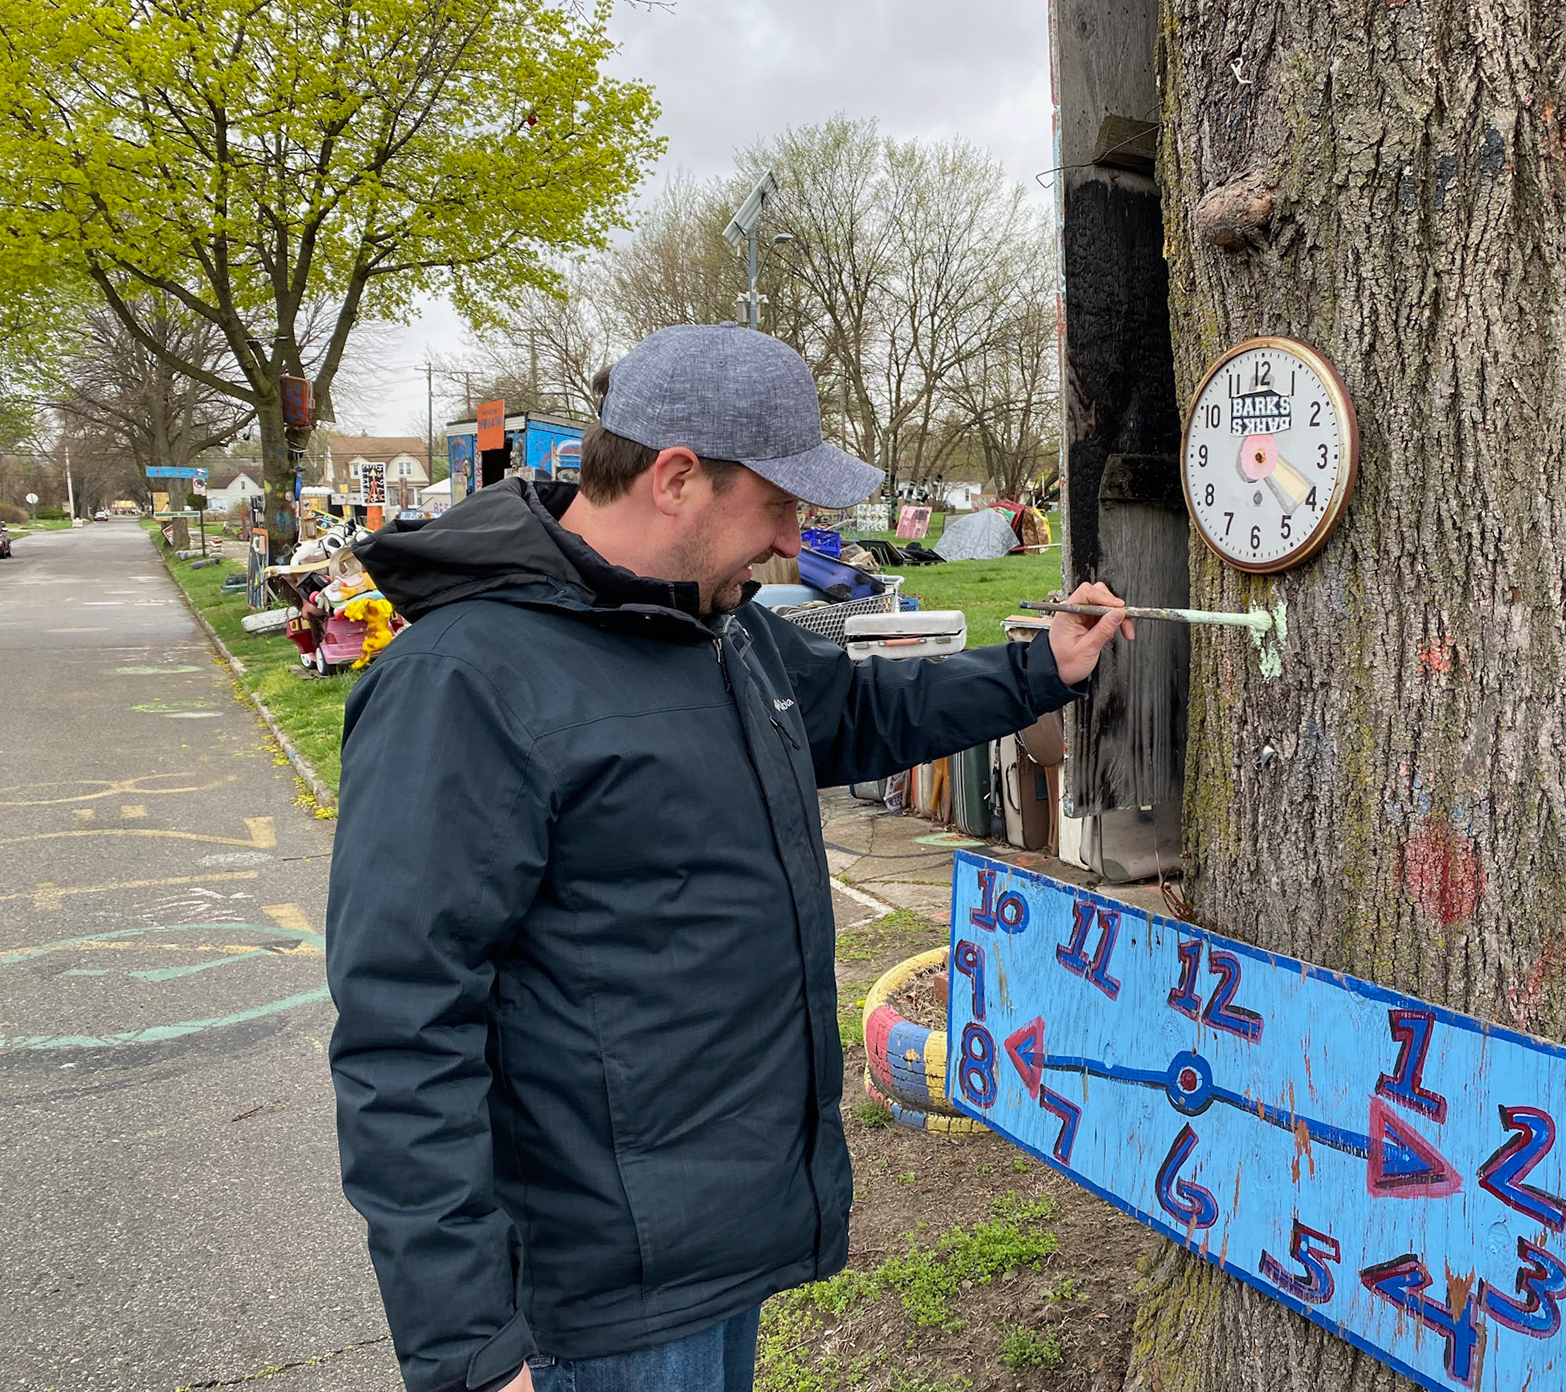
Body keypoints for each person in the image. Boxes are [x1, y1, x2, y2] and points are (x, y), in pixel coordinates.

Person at [325, 323, 1130, 1392]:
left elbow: (866, 707)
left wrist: (1038, 669)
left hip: (711, 1255)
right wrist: (468, 1346)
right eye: (780, 504)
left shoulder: (725, 635)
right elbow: (402, 1028)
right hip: (592, 1305)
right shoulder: (466, 682)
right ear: (675, 479)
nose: (796, 542)